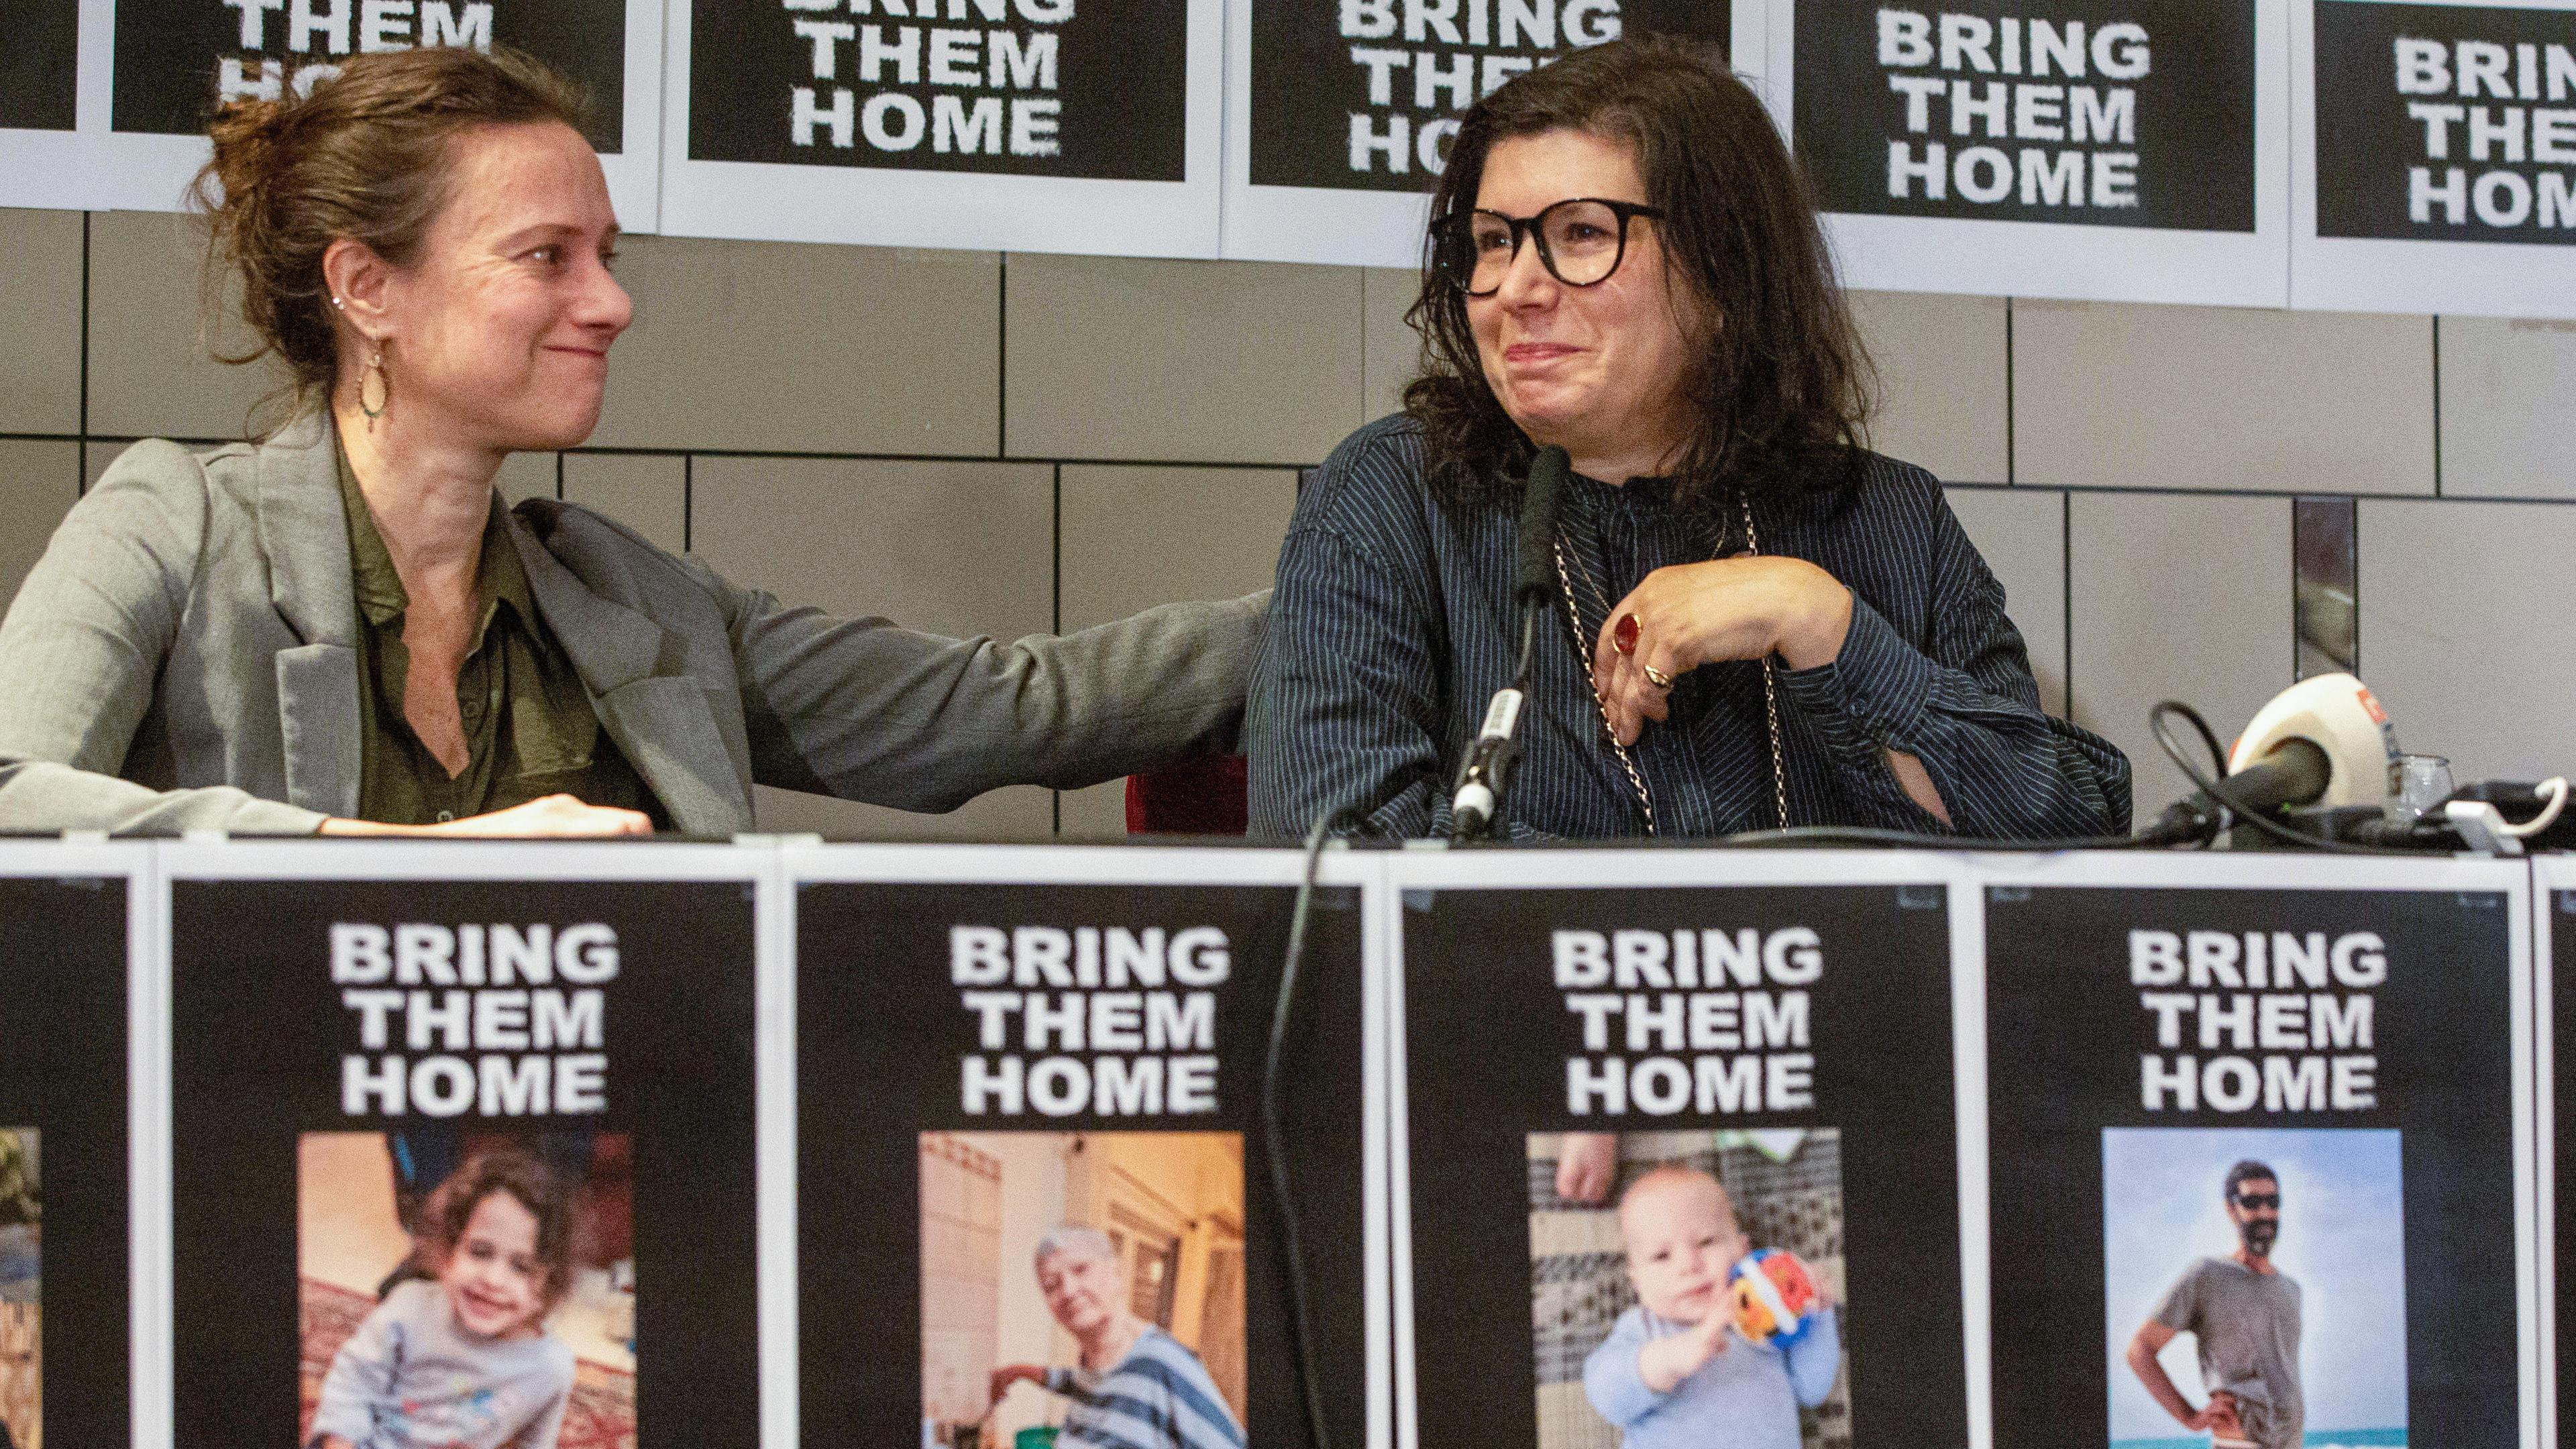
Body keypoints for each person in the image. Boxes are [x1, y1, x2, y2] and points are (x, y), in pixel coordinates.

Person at [0, 47, 1259, 838]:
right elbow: (12, 798)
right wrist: (384, 864)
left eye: (607, 257)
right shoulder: (168, 520)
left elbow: (1004, 710)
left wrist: (1368, 583)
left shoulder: (631, 596)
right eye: (548, 257)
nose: (611, 302)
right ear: (367, 288)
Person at [1245, 38, 2130, 841]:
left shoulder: (1887, 518)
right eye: (1491, 242)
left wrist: (1817, 619)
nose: (1517, 287)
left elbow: (2070, 833)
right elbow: (1342, 848)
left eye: (1580, 234)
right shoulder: (1394, 494)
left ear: (1723, 269)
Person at [309, 1149, 578, 1449]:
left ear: (549, 1285)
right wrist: (340, 1441)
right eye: (479, 1252)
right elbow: (353, 1383)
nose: (493, 1280)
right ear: (449, 1252)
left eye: (522, 1267)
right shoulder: (409, 1308)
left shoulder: (551, 1368)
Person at [1582, 1165, 1839, 1448]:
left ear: (1743, 1252)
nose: (1689, 1264)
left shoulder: (1767, 1323)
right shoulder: (1643, 1328)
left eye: (1706, 1242)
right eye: (1661, 1256)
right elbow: (1607, 1398)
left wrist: (1815, 1312)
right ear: (1637, 1282)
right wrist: (1669, 1361)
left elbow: (1812, 1390)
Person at [987, 1226, 1243, 1449]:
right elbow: (1072, 1381)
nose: (1068, 1290)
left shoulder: (1163, 1364)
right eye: (1051, 1284)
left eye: (1081, 1269)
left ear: (1117, 1273)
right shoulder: (1091, 1371)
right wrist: (1015, 1372)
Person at [2123, 1160, 2302, 1449]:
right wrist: (2190, 1417)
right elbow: (2140, 1349)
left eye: (2273, 1201)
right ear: (2232, 1210)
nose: (2265, 1212)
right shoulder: (2208, 1275)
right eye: (2252, 1202)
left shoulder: (2292, 1290)